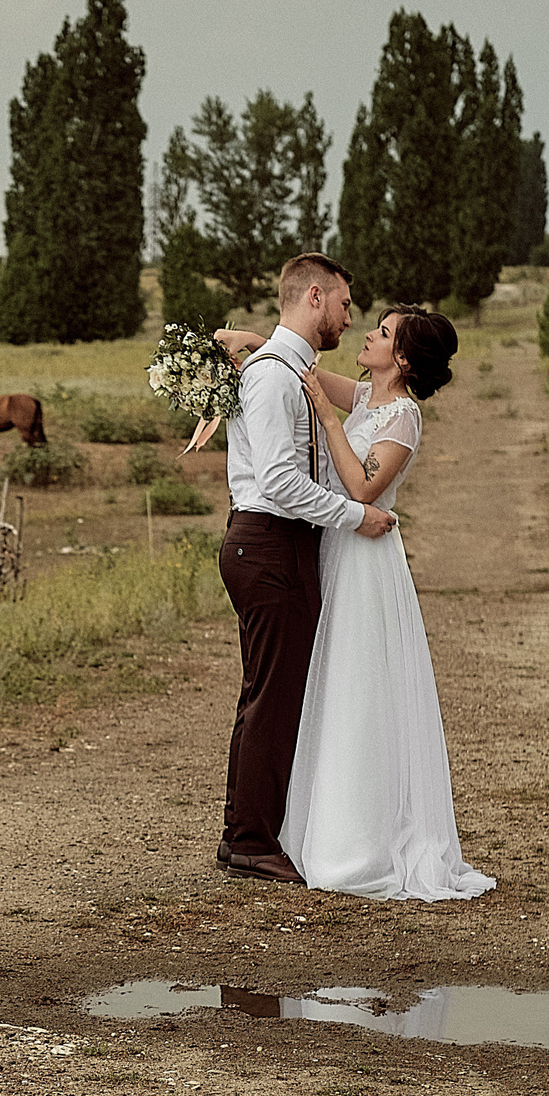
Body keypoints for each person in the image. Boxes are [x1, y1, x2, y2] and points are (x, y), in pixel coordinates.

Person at [277, 306, 496, 901]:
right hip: (338, 550)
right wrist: (253, 341)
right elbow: (311, 373)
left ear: (401, 359)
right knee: (330, 681)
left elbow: (364, 488)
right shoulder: (369, 399)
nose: (367, 334)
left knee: (359, 684)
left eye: (382, 332)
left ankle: (361, 845)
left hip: (367, 565)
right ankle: (319, 826)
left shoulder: (402, 416)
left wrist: (326, 417)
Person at [215, 255, 395, 886]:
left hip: (284, 545)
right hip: (269, 543)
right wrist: (354, 516)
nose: (351, 318)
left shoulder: (289, 369)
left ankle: (257, 829)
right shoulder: (271, 378)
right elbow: (280, 482)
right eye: (346, 305)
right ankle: (248, 840)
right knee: (270, 696)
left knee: (281, 693)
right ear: (316, 297)